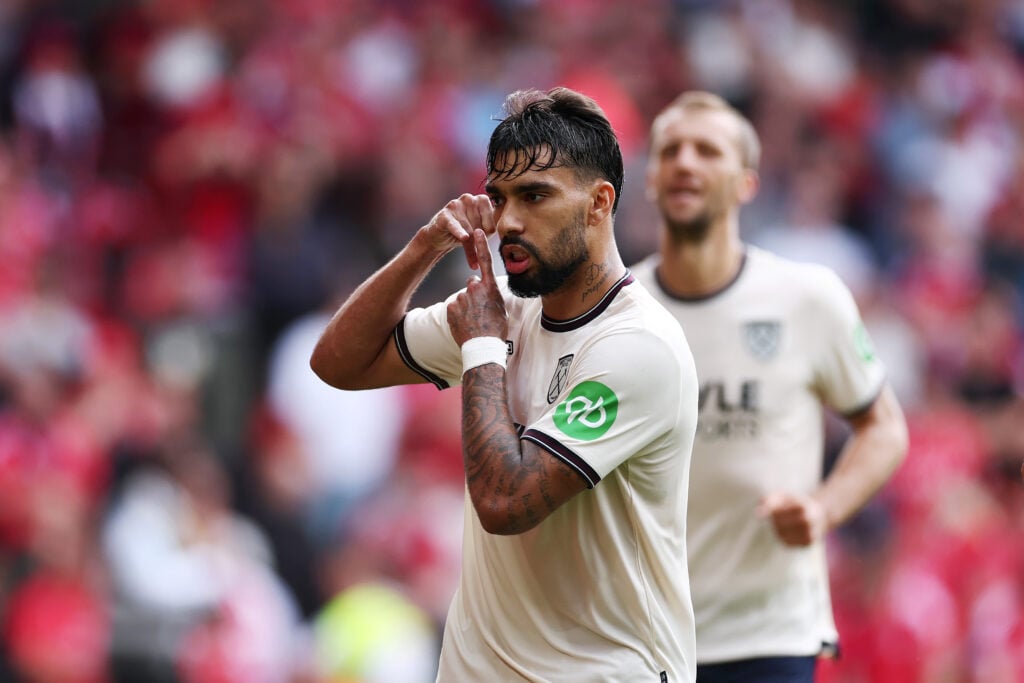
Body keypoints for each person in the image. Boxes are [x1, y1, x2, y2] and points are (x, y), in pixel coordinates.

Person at [310, 87, 699, 682]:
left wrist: (482, 349)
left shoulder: (638, 346)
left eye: (535, 196)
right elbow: (338, 363)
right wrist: (424, 247)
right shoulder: (501, 313)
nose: (508, 222)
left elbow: (505, 503)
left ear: (599, 203)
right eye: (498, 198)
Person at [630, 91, 909, 683]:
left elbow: (884, 428)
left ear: (747, 183)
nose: (685, 162)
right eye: (670, 151)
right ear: (650, 178)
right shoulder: (617, 313)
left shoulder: (806, 297)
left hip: (770, 632)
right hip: (643, 634)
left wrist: (823, 508)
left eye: (708, 150)